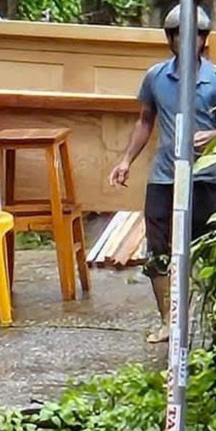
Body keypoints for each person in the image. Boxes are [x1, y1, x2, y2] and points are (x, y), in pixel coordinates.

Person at [109, 4, 216, 344]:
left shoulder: (214, 79)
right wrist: (126, 160)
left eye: (196, 35)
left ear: (204, 39)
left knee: (208, 251)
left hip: (205, 177)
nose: (189, 42)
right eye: (181, 35)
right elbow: (145, 120)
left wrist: (213, 135)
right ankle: (169, 321)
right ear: (170, 39)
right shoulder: (156, 77)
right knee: (158, 252)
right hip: (165, 177)